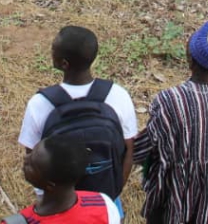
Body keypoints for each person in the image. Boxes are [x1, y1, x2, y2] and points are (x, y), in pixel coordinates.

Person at [137, 22, 208, 224]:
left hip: (176, 193)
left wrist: (127, 150)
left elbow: (150, 144)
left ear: (190, 60)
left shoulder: (172, 100)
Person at [18, 26, 137, 206]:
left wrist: (44, 197)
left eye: (53, 49)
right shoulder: (118, 95)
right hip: (105, 199)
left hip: (58, 202)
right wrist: (114, 193)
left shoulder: (40, 104)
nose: (51, 52)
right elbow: (129, 150)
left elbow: (33, 159)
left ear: (64, 64)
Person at [8, 136, 121, 224]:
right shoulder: (104, 206)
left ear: (50, 185)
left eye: (32, 165)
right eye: (31, 153)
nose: (25, 158)